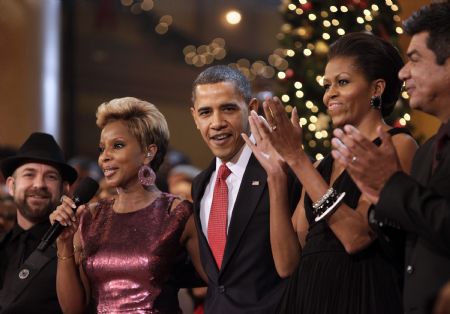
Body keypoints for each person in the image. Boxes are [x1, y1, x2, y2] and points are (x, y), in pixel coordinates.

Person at [244, 32, 418, 314]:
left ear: (377, 88)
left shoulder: (398, 144)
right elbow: (287, 263)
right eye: (327, 85)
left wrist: (298, 159)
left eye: (343, 82)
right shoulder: (321, 166)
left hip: (360, 296)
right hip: (306, 298)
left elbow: (356, 237)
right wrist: (277, 175)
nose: (329, 94)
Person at [331, 3, 450, 314]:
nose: (402, 72)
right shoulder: (427, 152)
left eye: (414, 59)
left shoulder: (406, 145)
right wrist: (379, 201)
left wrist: (391, 185)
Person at [50, 97, 206, 313]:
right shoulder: (90, 217)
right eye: (102, 148)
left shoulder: (178, 213)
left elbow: (218, 284)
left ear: (148, 152)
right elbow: (72, 309)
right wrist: (64, 245)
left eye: (118, 146)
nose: (105, 157)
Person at [190, 65, 300, 314]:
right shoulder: (199, 185)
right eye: (206, 112)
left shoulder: (283, 170)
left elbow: (294, 264)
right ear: (195, 118)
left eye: (228, 109)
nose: (217, 123)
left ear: (251, 109)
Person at [0, 132, 78, 313]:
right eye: (29, 174)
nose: (39, 184)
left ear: (64, 189)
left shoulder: (75, 246)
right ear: (11, 186)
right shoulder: (2, 244)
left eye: (50, 177)